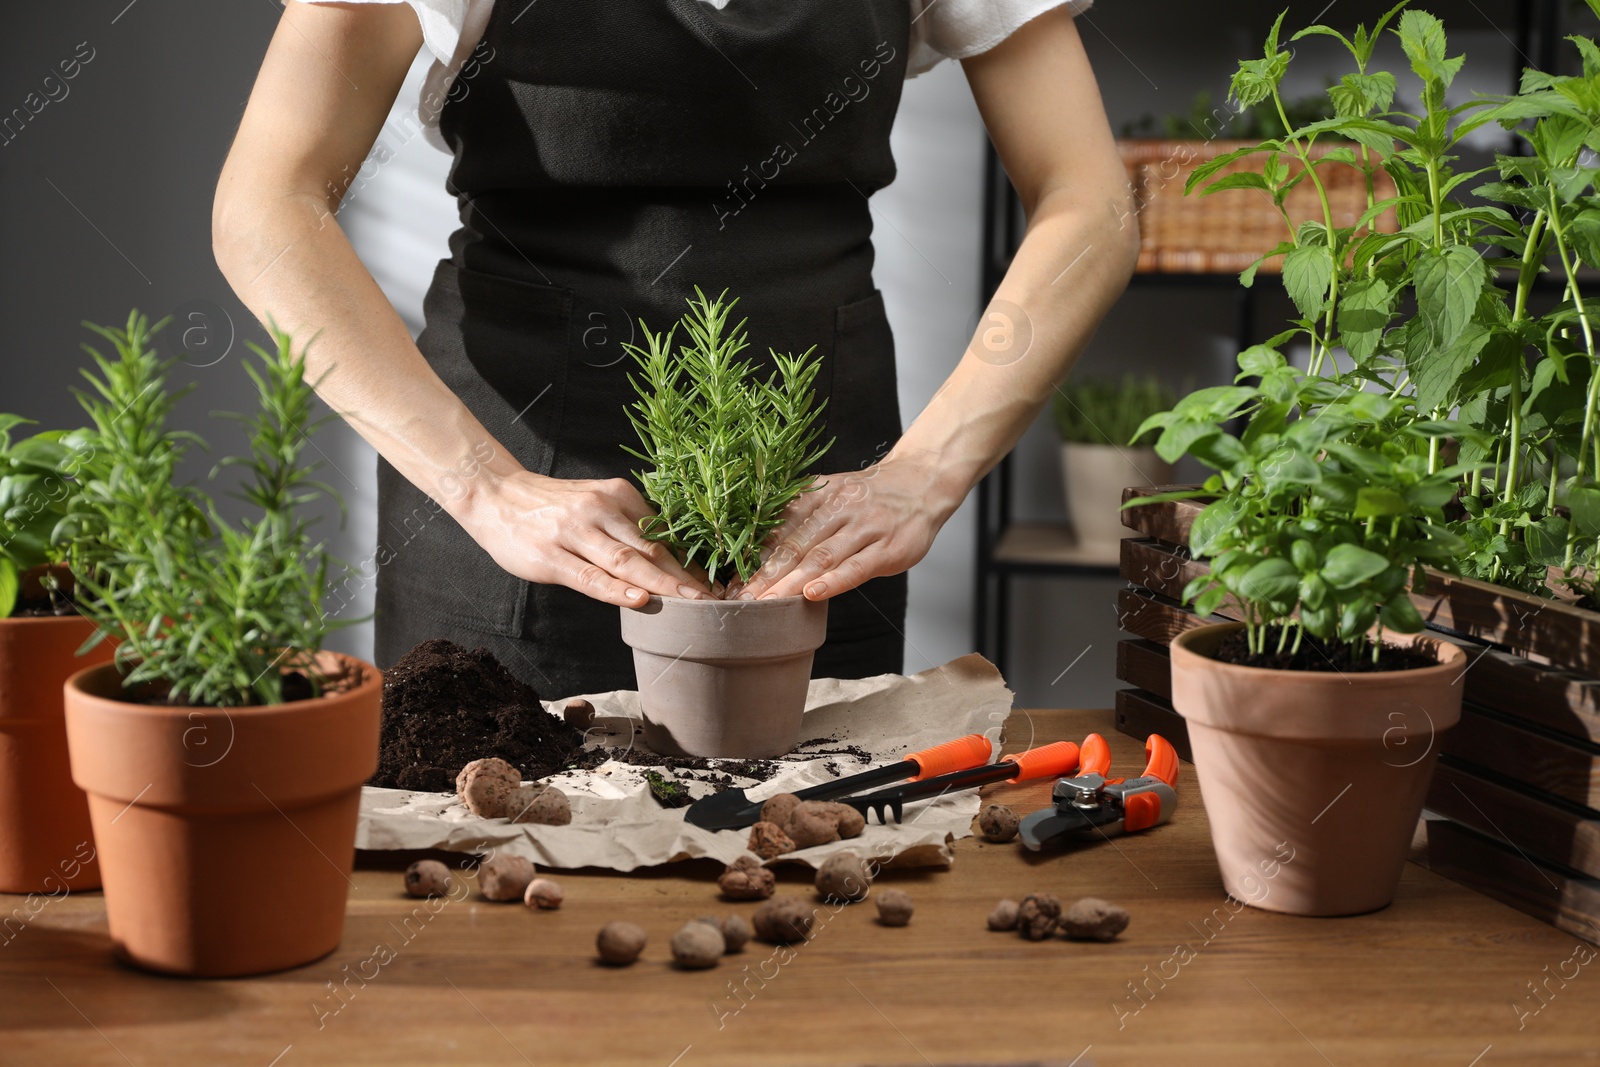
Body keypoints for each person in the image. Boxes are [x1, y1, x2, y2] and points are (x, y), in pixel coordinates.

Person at [212, 0, 1139, 698]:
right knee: (496, 912)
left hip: (814, 538)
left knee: (810, 888)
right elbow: (267, 205)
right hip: (516, 531)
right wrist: (487, 491)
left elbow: (1088, 198)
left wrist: (926, 473)